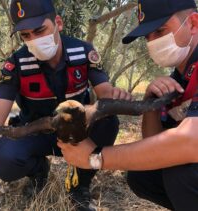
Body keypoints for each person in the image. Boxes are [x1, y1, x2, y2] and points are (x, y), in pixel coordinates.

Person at [0, 0, 131, 210]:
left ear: (58, 23)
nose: (34, 40)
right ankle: (38, 171)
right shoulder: (15, 65)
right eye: (26, 35)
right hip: (34, 132)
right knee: (3, 159)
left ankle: (79, 183)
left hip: (77, 131)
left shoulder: (83, 52)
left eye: (39, 30)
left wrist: (116, 96)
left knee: (108, 123)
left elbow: (105, 94)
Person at [58, 0, 198, 210]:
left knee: (181, 174)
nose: (153, 42)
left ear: (193, 23)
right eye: (147, 36)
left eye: (160, 30)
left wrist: (96, 157)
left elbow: (191, 143)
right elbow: (156, 146)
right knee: (144, 174)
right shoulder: (179, 78)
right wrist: (150, 103)